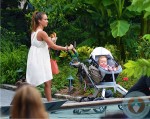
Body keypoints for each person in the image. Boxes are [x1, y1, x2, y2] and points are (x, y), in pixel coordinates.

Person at [26, 11, 73, 102]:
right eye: (45, 19)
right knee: (40, 82)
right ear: (39, 21)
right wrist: (67, 48)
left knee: (44, 81)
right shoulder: (42, 33)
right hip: (40, 60)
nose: (47, 21)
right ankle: (29, 102)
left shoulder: (34, 32)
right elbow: (53, 47)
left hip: (36, 58)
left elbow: (43, 46)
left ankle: (49, 103)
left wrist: (51, 41)